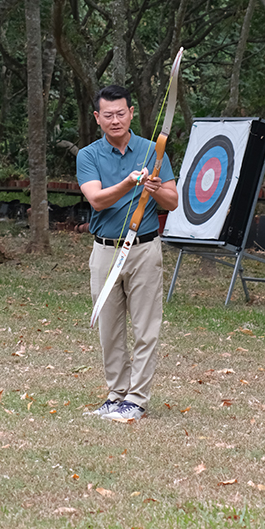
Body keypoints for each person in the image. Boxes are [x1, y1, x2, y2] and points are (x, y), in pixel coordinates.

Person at [76, 85, 178, 422]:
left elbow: (173, 201)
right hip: (105, 251)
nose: (115, 120)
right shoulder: (88, 155)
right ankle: (116, 395)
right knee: (109, 328)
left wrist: (155, 188)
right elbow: (97, 199)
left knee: (146, 327)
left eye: (121, 113)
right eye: (108, 115)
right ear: (97, 118)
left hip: (145, 248)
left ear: (131, 113)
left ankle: (136, 400)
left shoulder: (153, 150)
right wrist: (130, 183)